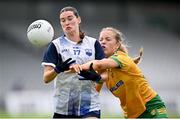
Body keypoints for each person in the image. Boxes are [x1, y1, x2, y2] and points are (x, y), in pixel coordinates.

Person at [70, 27, 168, 118]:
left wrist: (78, 67)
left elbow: (98, 64)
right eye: (101, 40)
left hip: (150, 107)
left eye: (108, 39)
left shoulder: (121, 58)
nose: (103, 42)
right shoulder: (104, 70)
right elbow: (94, 92)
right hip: (131, 115)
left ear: (117, 45)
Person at [41, 6, 105, 118]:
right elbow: (46, 78)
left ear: (78, 20)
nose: (67, 23)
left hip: (89, 105)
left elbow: (105, 74)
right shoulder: (55, 45)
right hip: (63, 107)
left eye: (70, 18)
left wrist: (94, 76)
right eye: (63, 20)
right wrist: (58, 69)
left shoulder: (93, 43)